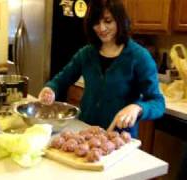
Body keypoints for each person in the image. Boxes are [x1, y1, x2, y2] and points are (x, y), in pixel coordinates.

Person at [38, 0, 165, 138]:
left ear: (119, 20)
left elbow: (157, 102)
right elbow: (61, 79)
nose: (101, 28)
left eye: (108, 21)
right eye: (96, 23)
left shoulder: (139, 57)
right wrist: (50, 88)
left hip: (119, 138)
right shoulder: (87, 53)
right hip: (85, 132)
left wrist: (138, 108)